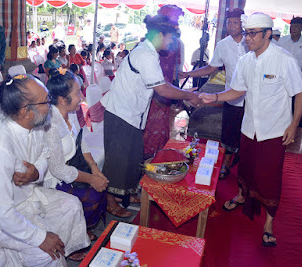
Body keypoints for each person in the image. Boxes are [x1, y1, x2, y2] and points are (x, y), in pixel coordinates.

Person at [200, 12, 302, 247]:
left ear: (268, 34)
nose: (247, 38)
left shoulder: (284, 59)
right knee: (245, 168)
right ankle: (241, 195)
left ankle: (268, 224)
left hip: (275, 131)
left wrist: (294, 124)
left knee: (269, 177)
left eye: (252, 33)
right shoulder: (245, 61)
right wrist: (214, 96)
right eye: (247, 33)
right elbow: (237, 90)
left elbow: (300, 92)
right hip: (249, 128)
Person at [0, 74, 91, 266]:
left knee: (71, 206)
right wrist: (40, 238)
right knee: (48, 254)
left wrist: (36, 172)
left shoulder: (38, 119)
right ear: (25, 112)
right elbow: (0, 213)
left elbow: (44, 152)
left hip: (25, 195)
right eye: (47, 100)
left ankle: (61, 248)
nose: (52, 104)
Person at [100, 14, 202, 217]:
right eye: (171, 37)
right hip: (121, 113)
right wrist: (190, 95)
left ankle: (124, 194)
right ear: (161, 35)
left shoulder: (148, 52)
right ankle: (109, 201)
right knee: (117, 160)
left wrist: (186, 94)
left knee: (131, 157)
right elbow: (163, 90)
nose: (172, 42)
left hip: (131, 114)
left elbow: (162, 85)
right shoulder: (145, 55)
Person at [180, 8, 248, 179]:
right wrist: (188, 74)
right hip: (233, 97)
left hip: (254, 98)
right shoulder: (223, 45)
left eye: (235, 22)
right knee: (229, 132)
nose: (231, 26)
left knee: (249, 134)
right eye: (229, 22)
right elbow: (211, 68)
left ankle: (246, 164)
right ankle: (226, 165)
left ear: (243, 23)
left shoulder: (252, 42)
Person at [44, 69, 108, 242]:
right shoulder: (51, 125)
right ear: (63, 100)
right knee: (93, 193)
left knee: (102, 182)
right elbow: (57, 170)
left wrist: (94, 168)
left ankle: (83, 228)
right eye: (77, 92)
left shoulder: (70, 114)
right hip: (54, 179)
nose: (81, 96)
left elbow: (81, 140)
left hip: (72, 165)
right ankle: (72, 237)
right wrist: (90, 178)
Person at [142, 4, 184, 161]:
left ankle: (157, 158)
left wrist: (175, 92)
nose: (177, 23)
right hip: (151, 90)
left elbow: (174, 70)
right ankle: (147, 160)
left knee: (160, 125)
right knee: (146, 124)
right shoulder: (147, 45)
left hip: (164, 90)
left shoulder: (176, 43)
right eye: (175, 20)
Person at [278, 17, 302, 127]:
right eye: (292, 26)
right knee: (282, 104)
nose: (293, 29)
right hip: (282, 78)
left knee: (296, 105)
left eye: (296, 27)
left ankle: (294, 127)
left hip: (298, 79)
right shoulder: (282, 41)